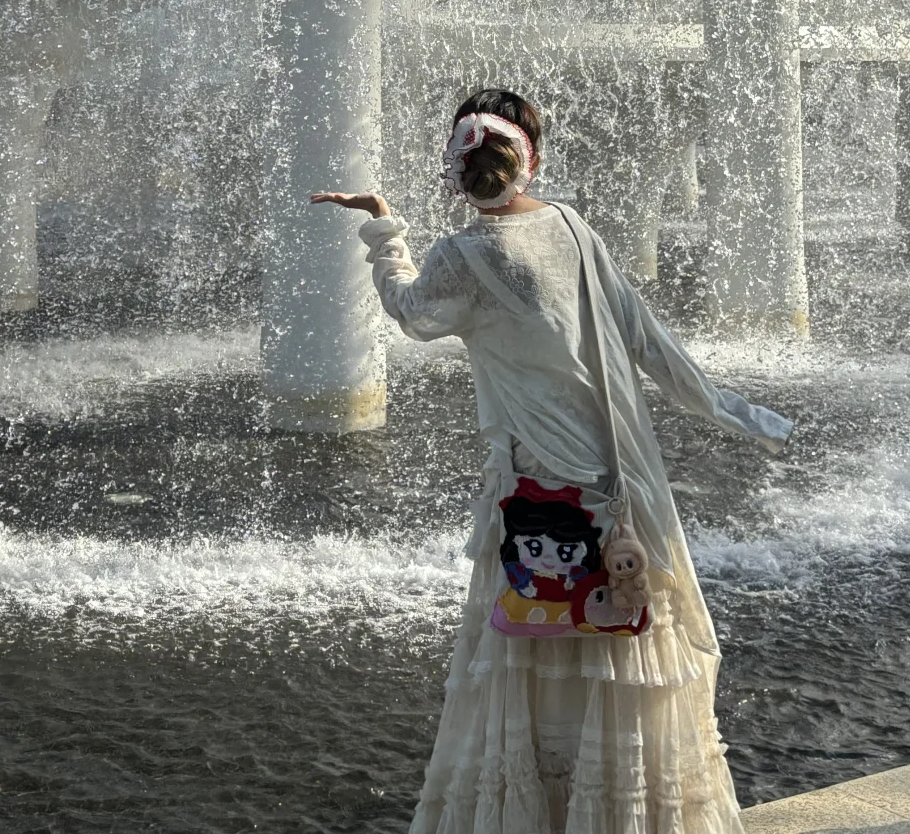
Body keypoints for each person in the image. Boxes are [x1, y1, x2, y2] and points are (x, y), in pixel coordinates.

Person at [310, 87, 793, 834]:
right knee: (625, 648)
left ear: (456, 170)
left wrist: (383, 228)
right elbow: (648, 343)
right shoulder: (572, 228)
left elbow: (410, 314)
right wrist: (739, 413)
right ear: (530, 161)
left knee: (531, 648)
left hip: (536, 490)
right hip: (622, 490)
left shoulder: (465, 256)